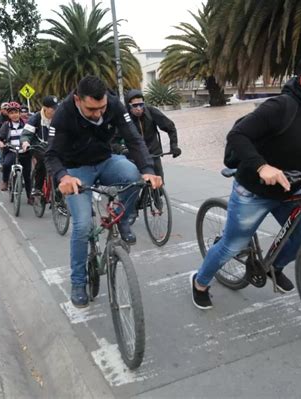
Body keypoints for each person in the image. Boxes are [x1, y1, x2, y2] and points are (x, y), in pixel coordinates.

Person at [191, 51, 301, 310]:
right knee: (231, 245)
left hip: (292, 187)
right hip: (254, 191)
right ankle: (200, 282)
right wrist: (262, 166)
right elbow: (237, 136)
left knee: (300, 238)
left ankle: (274, 267)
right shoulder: (279, 107)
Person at [45, 76, 162, 308]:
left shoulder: (114, 104)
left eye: (102, 108)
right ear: (78, 100)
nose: (98, 114)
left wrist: (148, 169)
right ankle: (78, 282)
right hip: (76, 169)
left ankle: (125, 219)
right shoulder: (64, 113)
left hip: (106, 161)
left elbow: (134, 139)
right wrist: (63, 176)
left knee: (133, 176)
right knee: (83, 226)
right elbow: (51, 155)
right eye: (91, 109)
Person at [122, 89, 182, 180]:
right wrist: (121, 149)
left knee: (158, 185)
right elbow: (113, 139)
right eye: (135, 105)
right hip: (134, 157)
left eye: (141, 104)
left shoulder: (151, 112)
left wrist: (174, 146)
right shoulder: (123, 117)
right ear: (128, 105)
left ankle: (157, 194)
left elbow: (170, 127)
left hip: (153, 155)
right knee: (133, 185)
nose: (139, 108)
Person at [0, 102, 33, 203]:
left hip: (25, 152)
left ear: (20, 113)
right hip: (11, 151)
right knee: (7, 164)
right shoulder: (6, 125)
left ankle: (30, 197)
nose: (14, 115)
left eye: (16, 112)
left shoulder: (26, 124)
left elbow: (32, 135)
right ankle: (5, 181)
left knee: (27, 175)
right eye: (11, 113)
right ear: (8, 115)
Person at [20, 95, 58, 195]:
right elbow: (26, 133)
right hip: (38, 145)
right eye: (53, 109)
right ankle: (37, 187)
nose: (55, 111)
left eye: (56, 108)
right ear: (45, 108)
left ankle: (59, 197)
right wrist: (25, 142)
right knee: (43, 159)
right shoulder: (35, 118)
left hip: (53, 145)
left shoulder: (59, 117)